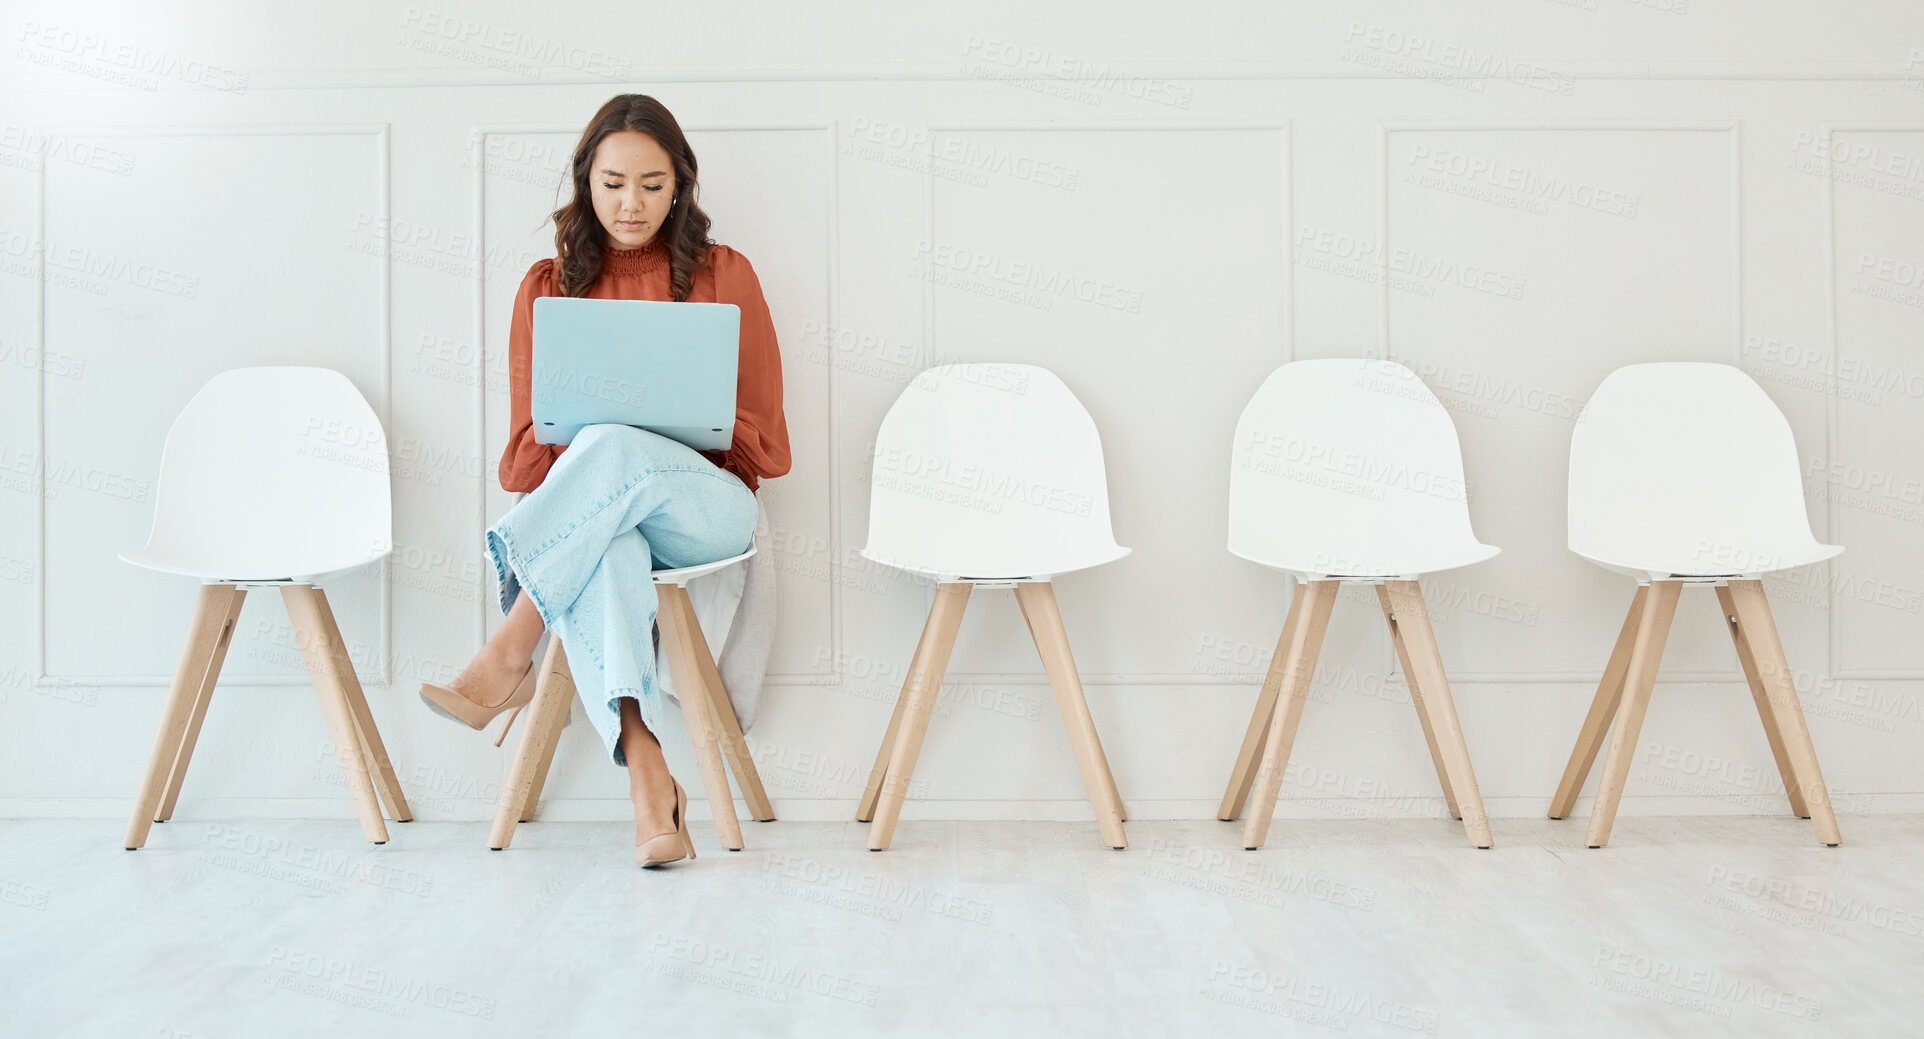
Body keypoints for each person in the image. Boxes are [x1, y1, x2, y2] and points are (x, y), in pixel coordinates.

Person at [419, 94, 791, 867]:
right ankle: (651, 782)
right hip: (599, 521)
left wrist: (655, 434)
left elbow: (765, 441)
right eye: (614, 182)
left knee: (619, 449)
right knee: (608, 542)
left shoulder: (727, 276)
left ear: (681, 185)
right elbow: (524, 457)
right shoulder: (548, 285)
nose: (632, 203)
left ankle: (511, 642)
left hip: (707, 508)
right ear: (586, 181)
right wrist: (604, 445)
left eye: (654, 185)